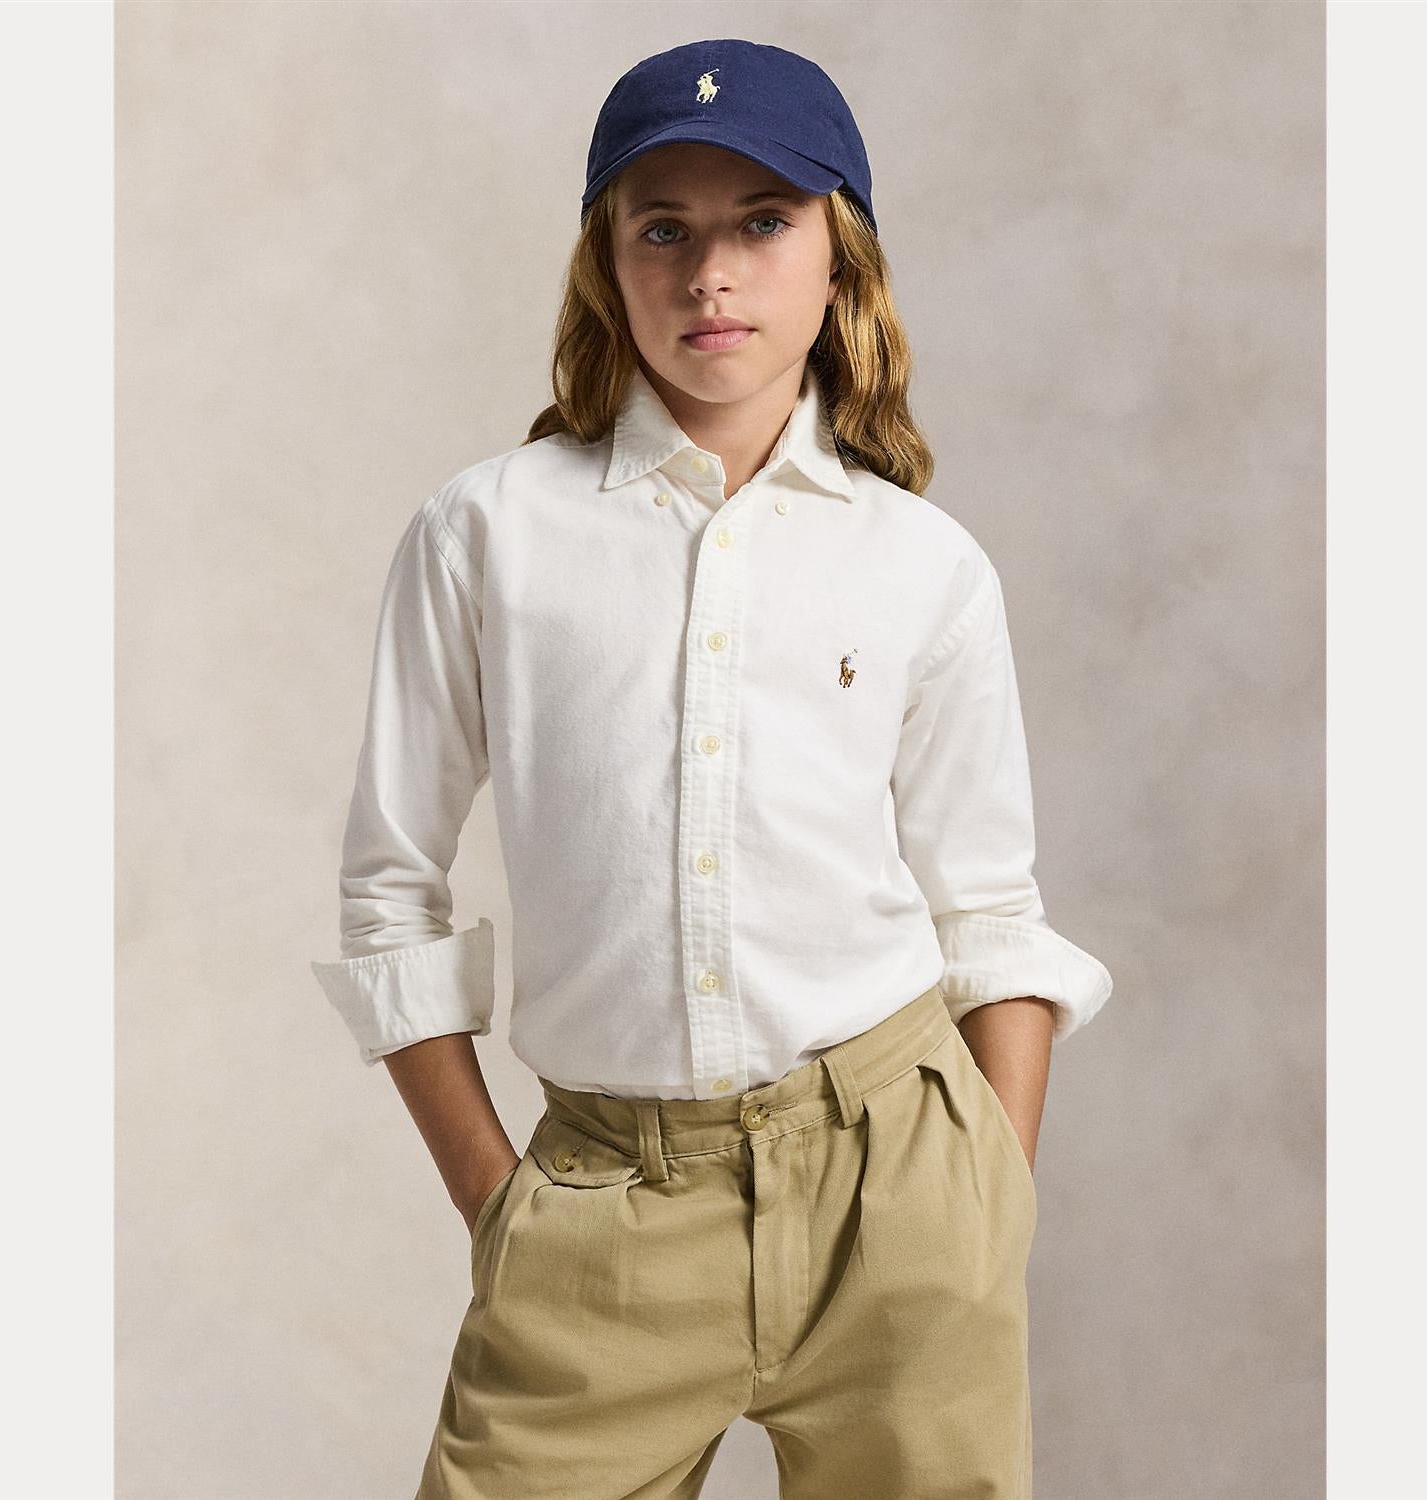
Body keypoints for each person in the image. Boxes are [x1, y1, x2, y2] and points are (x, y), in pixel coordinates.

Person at [310, 37, 1112, 1500]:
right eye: (662, 228)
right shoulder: (486, 536)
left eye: (763, 221)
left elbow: (991, 908)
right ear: (606, 263)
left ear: (840, 258)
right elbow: (388, 889)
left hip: (897, 1199)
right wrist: (502, 1208)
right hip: (605, 1210)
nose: (711, 275)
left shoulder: (922, 563)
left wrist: (985, 1200)